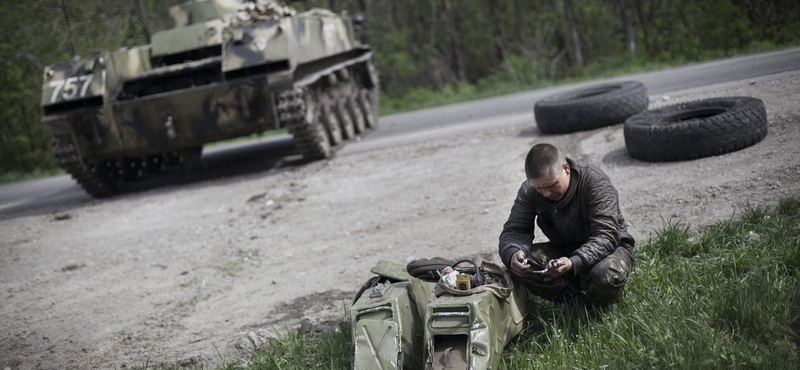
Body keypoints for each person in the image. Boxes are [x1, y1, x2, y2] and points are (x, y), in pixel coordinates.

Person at [498, 143, 635, 307]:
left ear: (566, 168)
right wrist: (513, 253)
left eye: (551, 185)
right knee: (522, 265)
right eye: (539, 189)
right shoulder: (529, 191)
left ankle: (599, 307)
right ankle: (576, 305)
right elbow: (515, 231)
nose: (546, 193)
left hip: (611, 249)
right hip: (565, 251)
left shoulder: (594, 182)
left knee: (604, 274)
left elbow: (606, 236)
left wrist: (573, 262)